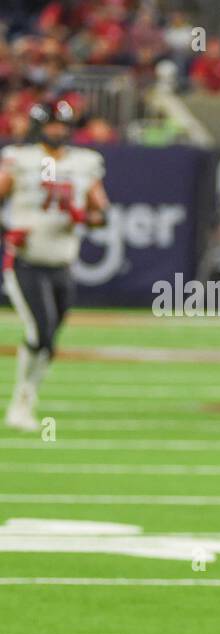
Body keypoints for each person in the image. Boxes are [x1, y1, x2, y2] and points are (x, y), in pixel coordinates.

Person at [0, 98, 108, 432]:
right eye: (51, 124)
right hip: (26, 262)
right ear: (38, 127)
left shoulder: (85, 163)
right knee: (40, 332)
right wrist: (9, 230)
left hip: (62, 262)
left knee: (50, 340)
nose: (58, 131)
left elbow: (100, 215)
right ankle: (20, 404)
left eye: (62, 124)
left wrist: (84, 217)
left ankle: (27, 397)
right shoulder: (20, 160)